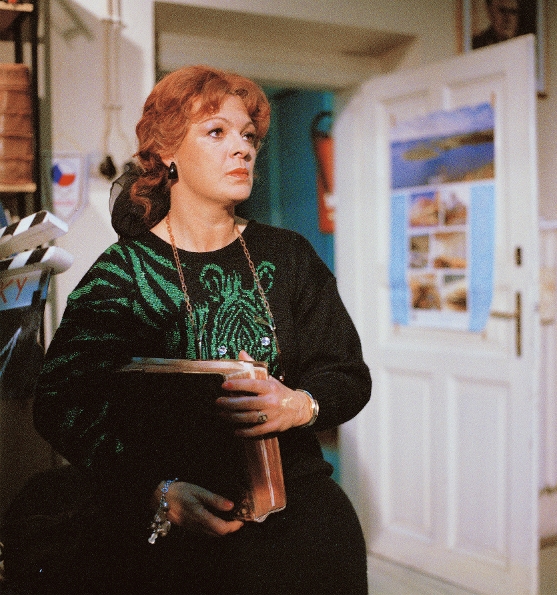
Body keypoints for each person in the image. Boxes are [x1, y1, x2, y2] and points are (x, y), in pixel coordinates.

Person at [32, 65, 372, 594]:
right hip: (178, 540)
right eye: (217, 132)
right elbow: (60, 401)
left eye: (248, 136)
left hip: (303, 531)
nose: (242, 149)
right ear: (167, 152)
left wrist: (299, 404)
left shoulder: (289, 255)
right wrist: (154, 490)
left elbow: (347, 373)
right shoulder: (124, 272)